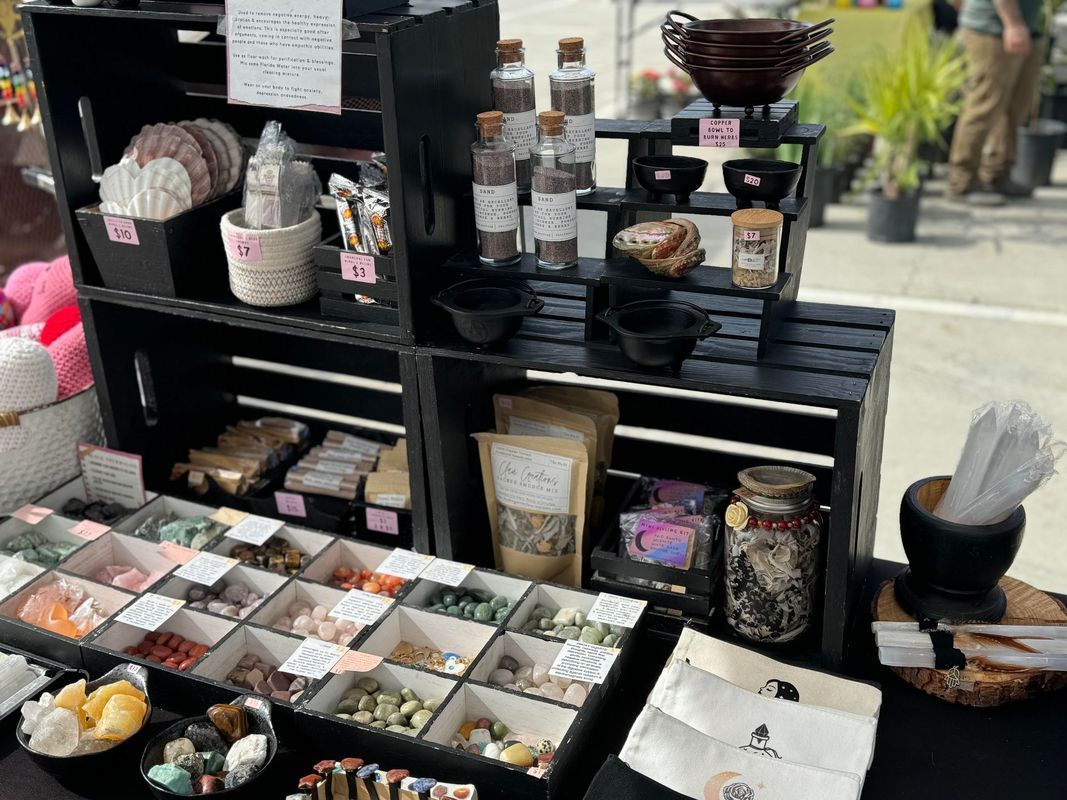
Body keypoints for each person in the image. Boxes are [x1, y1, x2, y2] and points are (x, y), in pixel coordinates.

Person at [946, 0, 1045, 205]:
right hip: (993, 30)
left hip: (1025, 28)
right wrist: (1013, 24)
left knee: (1014, 107)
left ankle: (997, 173)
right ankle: (961, 182)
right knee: (984, 106)